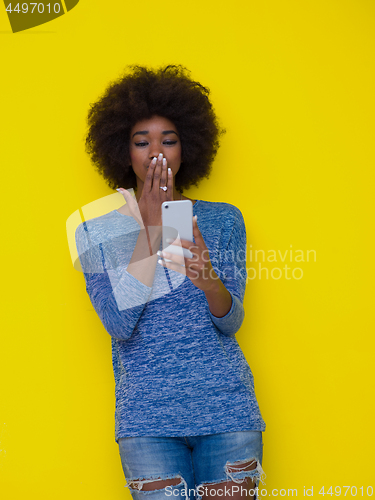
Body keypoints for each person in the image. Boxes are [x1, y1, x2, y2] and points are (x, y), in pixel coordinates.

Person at [75, 65, 266, 500]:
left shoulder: (222, 219)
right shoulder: (95, 232)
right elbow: (119, 324)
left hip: (228, 412)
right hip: (147, 423)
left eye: (169, 140)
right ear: (124, 152)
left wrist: (211, 282)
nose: (156, 151)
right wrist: (147, 229)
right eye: (142, 141)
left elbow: (231, 320)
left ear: (187, 149)